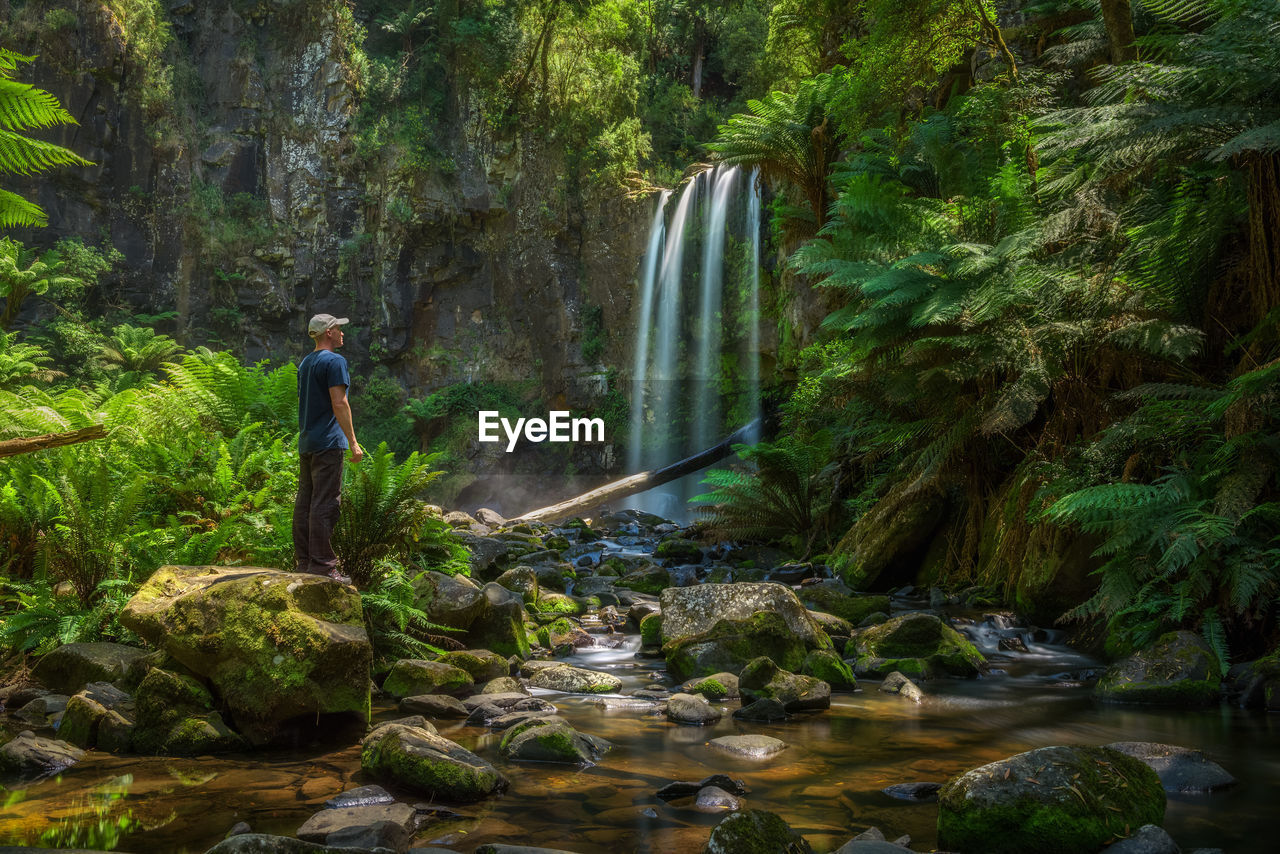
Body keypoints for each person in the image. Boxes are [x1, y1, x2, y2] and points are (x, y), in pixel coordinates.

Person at [293, 313, 363, 582]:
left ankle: (305, 561)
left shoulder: (306, 363)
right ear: (328, 333)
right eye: (338, 328)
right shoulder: (335, 361)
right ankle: (323, 567)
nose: (343, 332)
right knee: (325, 503)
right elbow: (339, 403)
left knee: (306, 502)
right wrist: (353, 443)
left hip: (308, 442)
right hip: (328, 442)